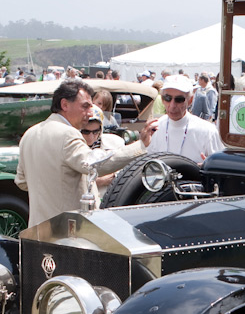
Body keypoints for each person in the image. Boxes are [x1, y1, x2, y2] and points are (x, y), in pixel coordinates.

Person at [14, 79, 153, 227]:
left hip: (37, 229)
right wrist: (140, 146)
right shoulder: (67, 133)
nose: (89, 112)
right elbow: (94, 165)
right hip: (68, 231)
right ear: (64, 104)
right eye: (85, 106)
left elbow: (21, 182)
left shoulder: (29, 134)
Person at [145, 74, 224, 163]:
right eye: (168, 98)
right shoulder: (154, 128)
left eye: (179, 99)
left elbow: (220, 166)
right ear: (162, 99)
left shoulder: (208, 131)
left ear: (190, 100)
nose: (172, 105)